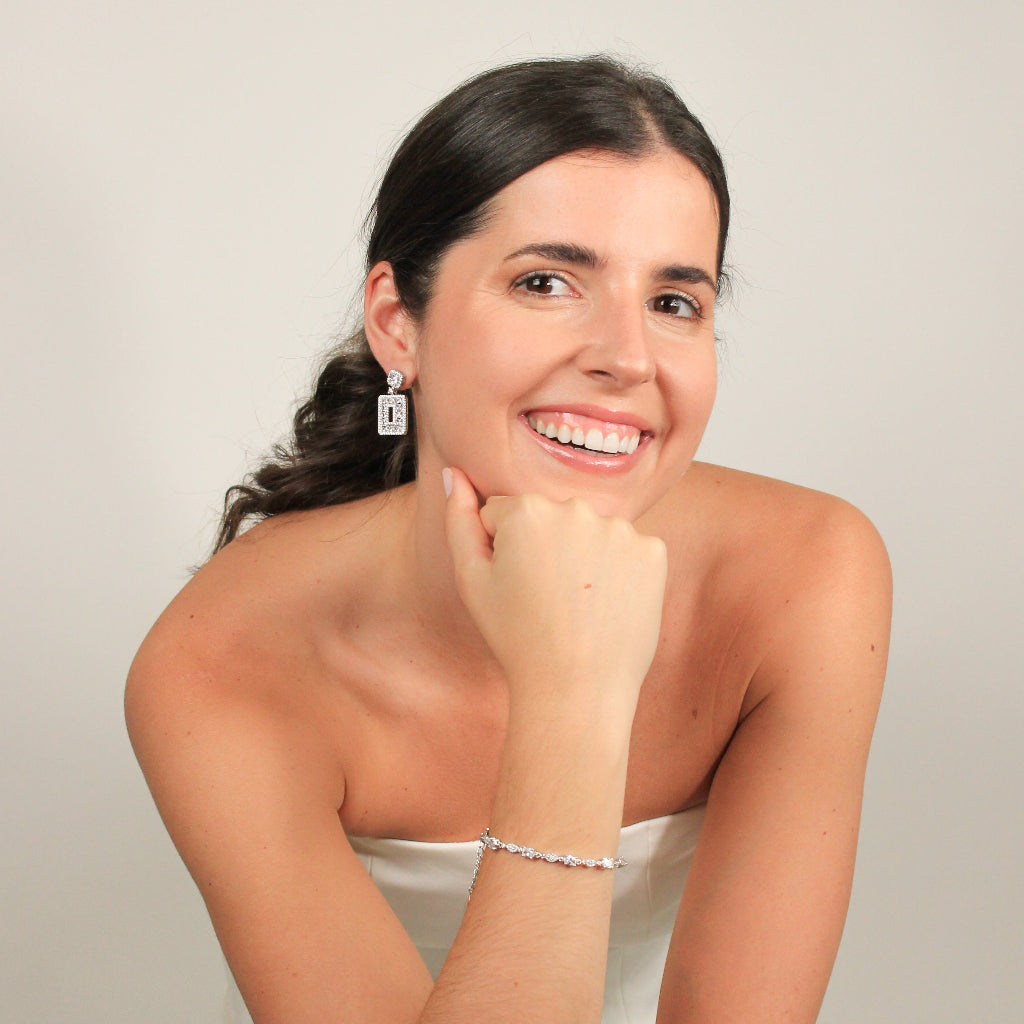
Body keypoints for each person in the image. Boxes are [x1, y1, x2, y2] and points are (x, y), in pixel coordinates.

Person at [125, 55, 892, 1024]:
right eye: (546, 281)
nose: (626, 357)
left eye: (673, 302)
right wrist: (573, 694)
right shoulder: (223, 663)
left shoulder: (808, 575)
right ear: (397, 324)